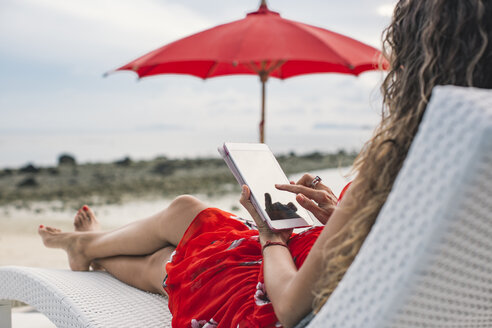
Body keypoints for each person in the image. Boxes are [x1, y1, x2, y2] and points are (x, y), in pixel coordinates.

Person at [38, 1, 492, 327]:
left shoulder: (395, 166)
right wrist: (338, 216)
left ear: (417, 60)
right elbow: (387, 245)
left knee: (175, 248)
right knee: (184, 220)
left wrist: (271, 233)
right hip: (331, 277)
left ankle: (87, 248)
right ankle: (90, 248)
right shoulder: (461, 168)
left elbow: (291, 307)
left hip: (279, 304)